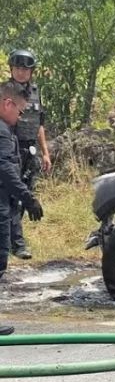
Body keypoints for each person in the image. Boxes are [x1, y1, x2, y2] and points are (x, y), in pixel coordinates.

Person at [0, 80, 43, 335]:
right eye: (19, 110)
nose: (20, 116)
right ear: (7, 103)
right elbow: (5, 170)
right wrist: (29, 198)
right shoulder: (2, 133)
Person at [7, 49, 51, 260]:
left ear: (32, 71)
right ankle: (17, 244)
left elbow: (39, 125)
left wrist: (45, 153)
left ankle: (11, 238)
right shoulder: (5, 92)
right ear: (11, 69)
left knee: (26, 195)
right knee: (14, 195)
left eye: (25, 69)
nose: (21, 72)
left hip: (30, 150)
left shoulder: (35, 91)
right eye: (17, 68)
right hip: (10, 149)